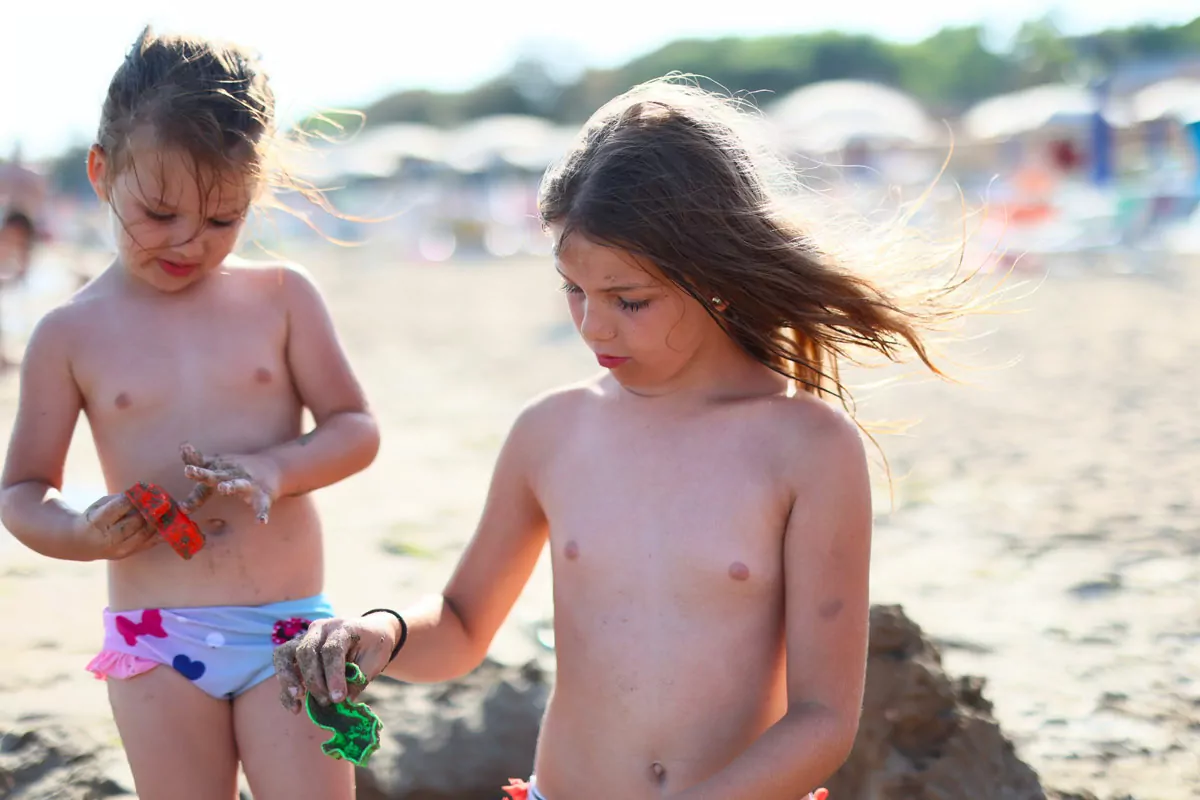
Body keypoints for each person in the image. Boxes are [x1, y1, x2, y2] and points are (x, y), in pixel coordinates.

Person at [274, 78, 986, 800]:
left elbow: (824, 719)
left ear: (716, 274)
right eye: (573, 291)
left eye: (629, 300)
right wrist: (383, 633)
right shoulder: (550, 432)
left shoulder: (809, 448)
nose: (593, 326)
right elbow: (461, 627)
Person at [0, 27, 379, 800]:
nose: (188, 242)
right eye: (160, 211)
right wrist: (79, 531)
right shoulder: (70, 332)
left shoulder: (281, 298)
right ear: (103, 173)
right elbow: (21, 491)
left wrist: (278, 466)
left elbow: (355, 428)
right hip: (156, 639)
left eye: (222, 219)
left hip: (291, 630)